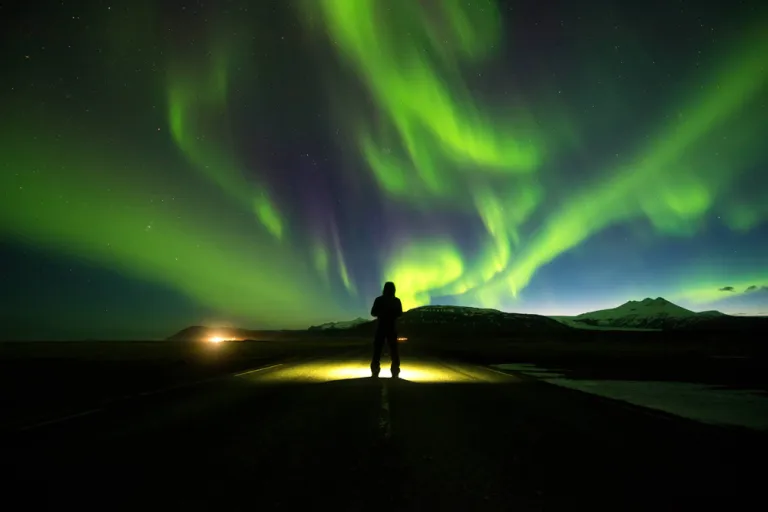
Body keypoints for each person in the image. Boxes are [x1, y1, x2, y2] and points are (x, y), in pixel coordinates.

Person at [370, 281, 403, 378]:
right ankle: (395, 369)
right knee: (394, 349)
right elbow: (400, 313)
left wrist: (381, 313)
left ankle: (375, 368)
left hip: (381, 327)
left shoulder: (379, 300)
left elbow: (373, 313)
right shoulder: (396, 300)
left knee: (377, 349)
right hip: (392, 327)